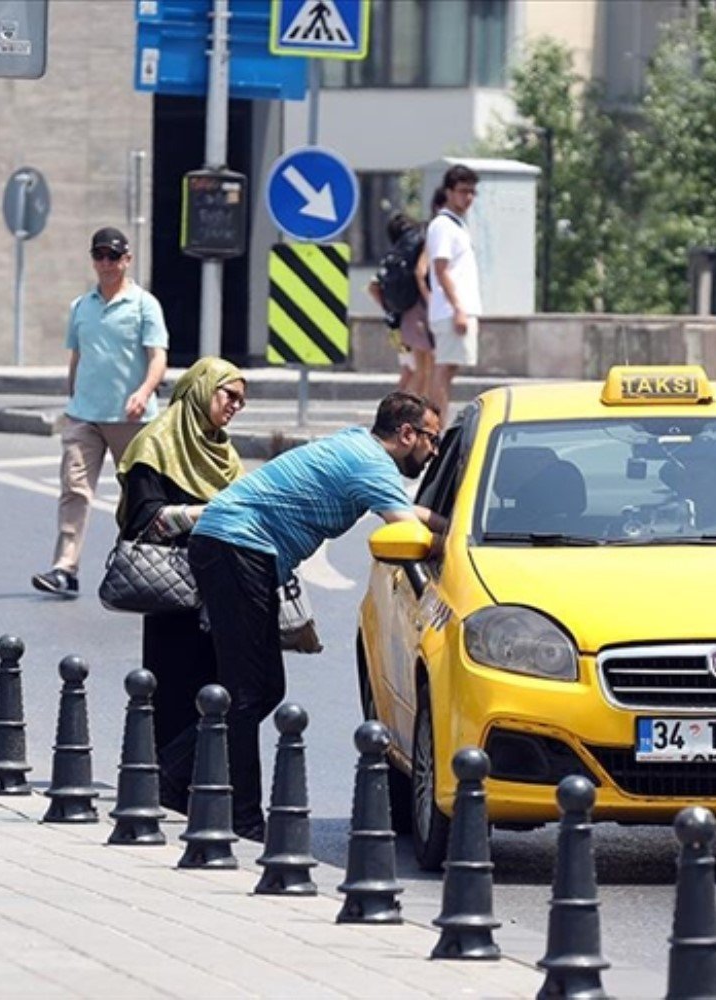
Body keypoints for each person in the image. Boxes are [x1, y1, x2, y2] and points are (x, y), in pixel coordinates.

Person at [185, 391, 449, 840]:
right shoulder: (370, 464)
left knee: (263, 687)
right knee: (248, 691)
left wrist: (455, 524)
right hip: (237, 546)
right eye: (432, 439)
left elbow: (415, 513)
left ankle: (172, 777)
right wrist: (457, 545)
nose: (435, 452)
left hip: (236, 548)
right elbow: (407, 529)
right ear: (407, 434)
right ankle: (241, 816)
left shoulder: (362, 451)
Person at [112, 358, 247, 810]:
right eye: (229, 395)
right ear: (201, 389)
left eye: (241, 401)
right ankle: (164, 784)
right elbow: (141, 520)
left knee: (218, 688)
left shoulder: (223, 452)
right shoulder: (155, 444)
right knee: (171, 688)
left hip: (219, 589)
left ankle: (198, 784)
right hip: (171, 590)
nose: (234, 407)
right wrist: (200, 515)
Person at [32, 228, 170, 598]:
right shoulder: (81, 306)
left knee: (139, 495)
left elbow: (158, 357)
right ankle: (65, 568)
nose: (106, 263)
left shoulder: (144, 305)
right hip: (85, 417)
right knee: (74, 489)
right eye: (100, 256)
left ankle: (143, 565)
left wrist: (143, 391)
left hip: (132, 420)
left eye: (113, 256)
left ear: (126, 260)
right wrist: (72, 396)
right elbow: (77, 356)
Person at [427, 165, 482, 421]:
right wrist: (458, 308)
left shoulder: (458, 224)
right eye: (462, 191)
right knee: (444, 368)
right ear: (449, 192)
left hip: (458, 308)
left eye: (472, 192)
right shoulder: (443, 225)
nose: (468, 197)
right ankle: (436, 427)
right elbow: (441, 269)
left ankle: (438, 423)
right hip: (452, 309)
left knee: (450, 368)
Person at [368, 213, 430, 395]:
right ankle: (403, 409)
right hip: (412, 321)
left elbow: (373, 287)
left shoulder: (392, 257)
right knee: (419, 371)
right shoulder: (411, 255)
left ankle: (398, 404)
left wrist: (388, 307)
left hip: (394, 323)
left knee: (408, 369)